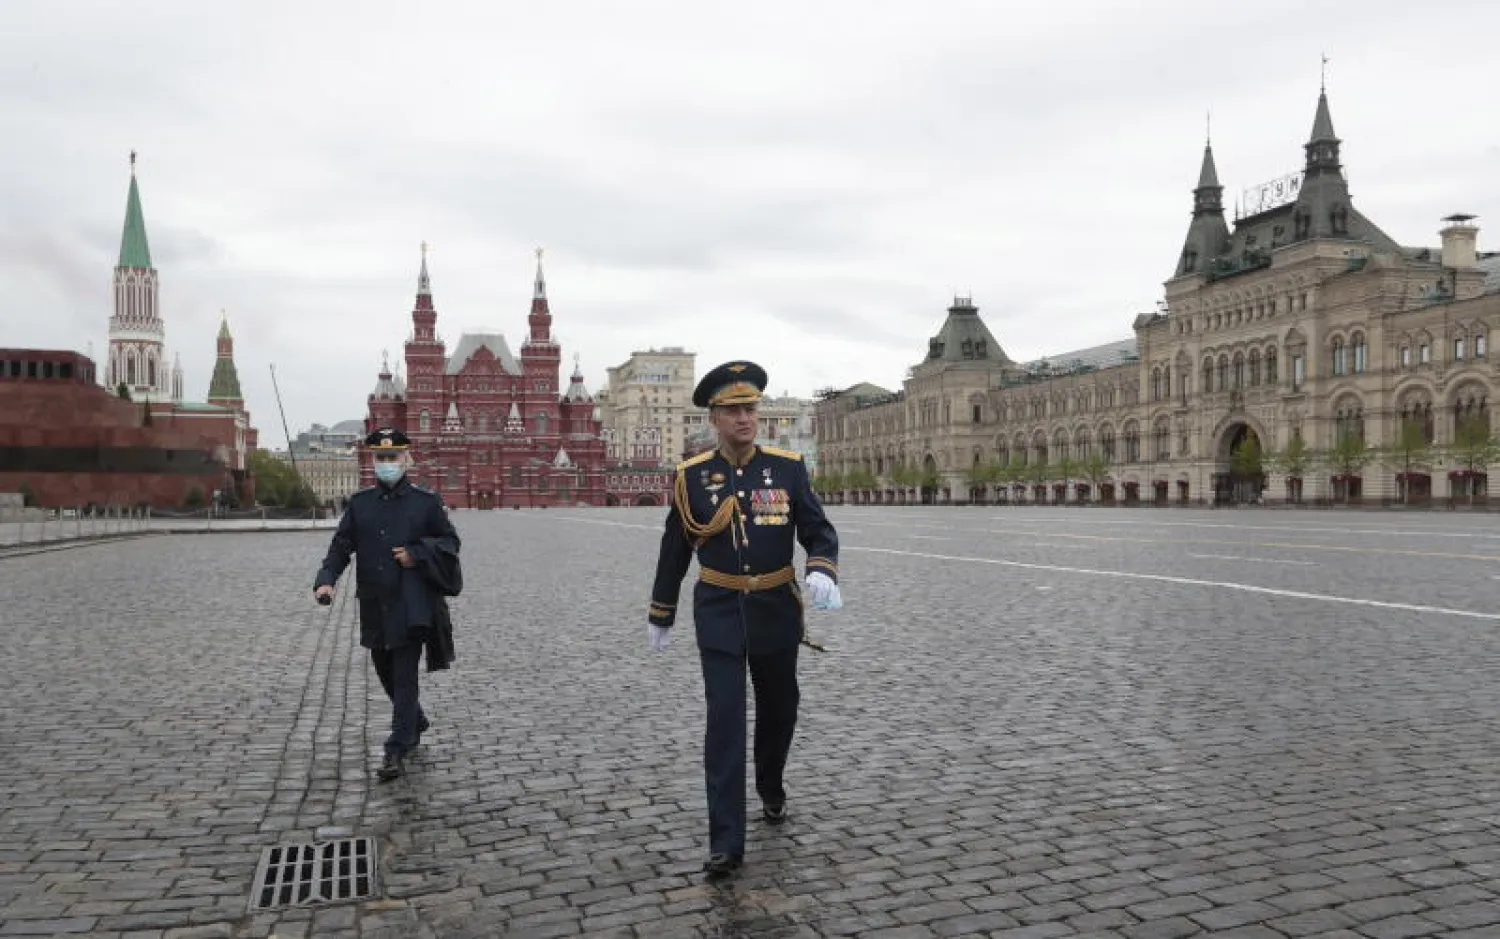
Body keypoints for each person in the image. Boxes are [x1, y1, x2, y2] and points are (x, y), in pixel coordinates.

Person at [647, 361, 842, 877]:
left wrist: (822, 568)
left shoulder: (788, 468)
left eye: (750, 408)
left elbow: (818, 531)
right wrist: (661, 610)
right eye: (733, 410)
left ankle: (771, 785)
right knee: (725, 723)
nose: (744, 418)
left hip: (775, 609)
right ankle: (726, 841)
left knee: (780, 711)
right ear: (714, 418)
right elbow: (675, 547)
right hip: (719, 610)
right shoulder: (691, 477)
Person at [314, 427, 462, 781]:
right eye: (380, 457)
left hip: (412, 604)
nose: (386, 463)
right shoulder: (360, 504)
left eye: (392, 456)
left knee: (404, 673)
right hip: (375, 601)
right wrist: (325, 579)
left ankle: (396, 748)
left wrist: (416, 554)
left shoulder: (426, 502)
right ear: (372, 460)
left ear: (406, 458)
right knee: (383, 669)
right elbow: (341, 546)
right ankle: (415, 719)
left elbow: (450, 543)